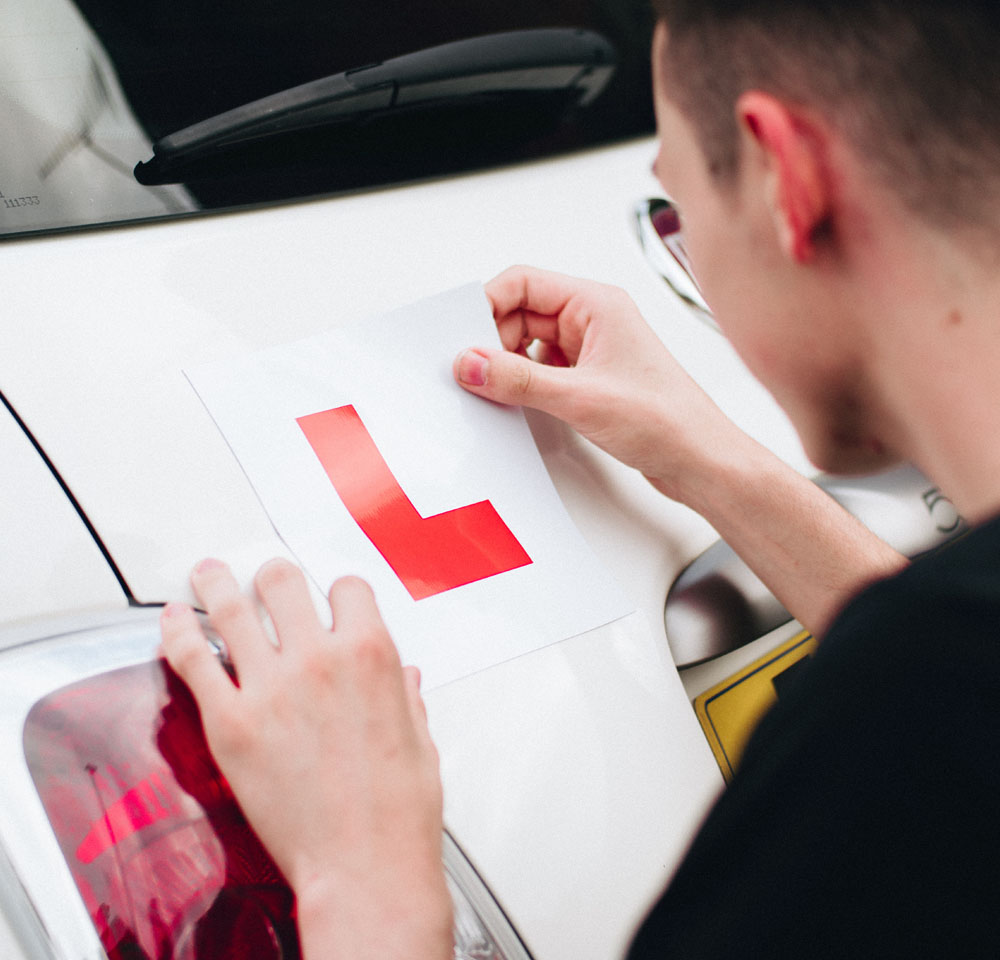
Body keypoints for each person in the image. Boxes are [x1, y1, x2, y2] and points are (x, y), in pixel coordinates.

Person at [160, 0, 1000, 956]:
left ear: (784, 180)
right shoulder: (942, 673)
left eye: (677, 198)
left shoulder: (911, 699)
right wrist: (707, 459)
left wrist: (369, 884)